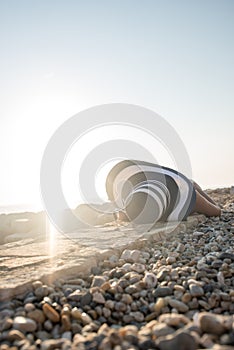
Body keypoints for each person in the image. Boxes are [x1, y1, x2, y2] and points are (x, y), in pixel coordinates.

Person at [105, 159, 221, 226]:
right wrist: (194, 189)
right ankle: (190, 183)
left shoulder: (132, 208)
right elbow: (216, 210)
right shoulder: (135, 207)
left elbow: (217, 212)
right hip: (144, 185)